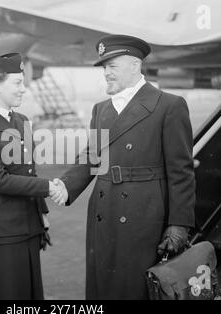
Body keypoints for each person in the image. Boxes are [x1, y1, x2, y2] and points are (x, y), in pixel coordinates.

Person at [51, 35, 196, 299]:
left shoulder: (169, 106)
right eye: (104, 67)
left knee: (136, 288)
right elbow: (92, 156)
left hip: (145, 216)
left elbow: (181, 172)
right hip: (104, 212)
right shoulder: (101, 109)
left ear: (135, 65)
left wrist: (179, 225)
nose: (106, 73)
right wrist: (66, 184)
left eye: (112, 66)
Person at [0, 53, 61, 300]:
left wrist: (42, 214)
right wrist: (48, 187)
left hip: (28, 225)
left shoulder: (22, 121)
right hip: (0, 230)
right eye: (17, 83)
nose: (23, 89)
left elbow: (29, 170)